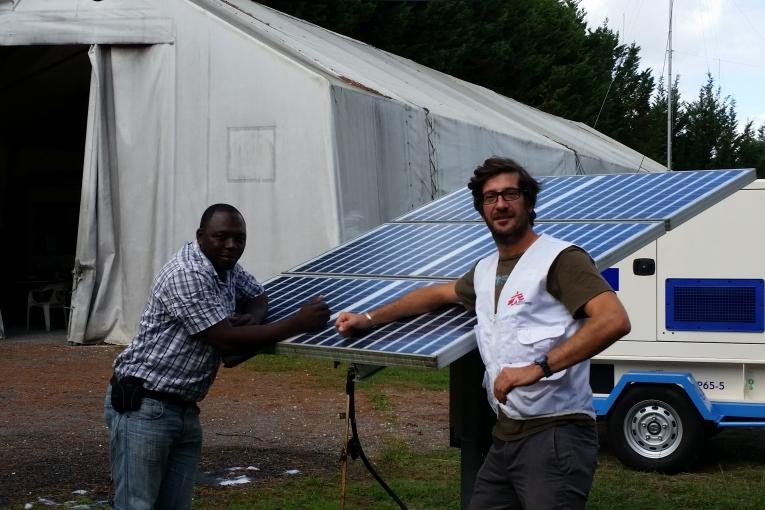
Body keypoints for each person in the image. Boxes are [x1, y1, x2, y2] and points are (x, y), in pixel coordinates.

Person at [336, 157, 630, 509]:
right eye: (490, 198)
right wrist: (369, 317)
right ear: (481, 209)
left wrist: (538, 368)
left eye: (510, 194)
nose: (501, 204)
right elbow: (435, 294)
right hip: (505, 435)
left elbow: (613, 320)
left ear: (529, 201)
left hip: (556, 433)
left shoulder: (560, 259)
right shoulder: (485, 270)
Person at [104, 203, 330, 510]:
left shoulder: (227, 268)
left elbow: (257, 294)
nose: (231, 245)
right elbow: (225, 339)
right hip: (145, 407)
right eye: (221, 236)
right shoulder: (188, 274)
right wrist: (297, 323)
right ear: (200, 236)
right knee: (137, 505)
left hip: (182, 409)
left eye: (239, 238)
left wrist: (253, 316)